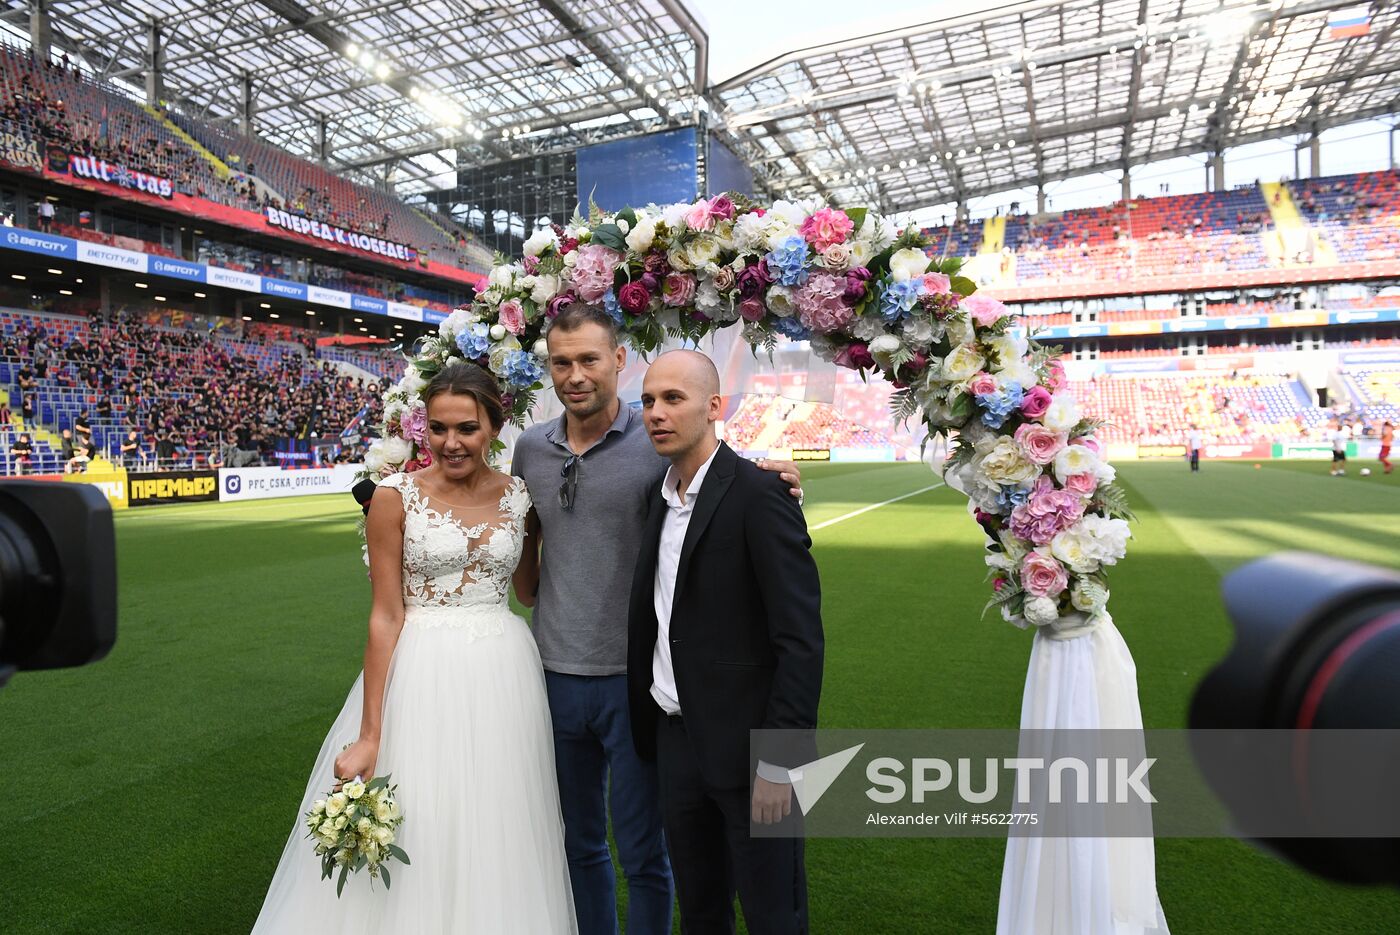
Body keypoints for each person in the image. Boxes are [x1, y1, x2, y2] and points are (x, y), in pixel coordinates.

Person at [252, 362, 576, 933]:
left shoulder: (520, 495)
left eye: (467, 428)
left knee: (496, 819)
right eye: (439, 427)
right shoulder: (393, 497)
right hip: (421, 671)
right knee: (422, 814)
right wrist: (371, 732)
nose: (452, 443)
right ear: (422, 427)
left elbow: (528, 588)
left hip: (505, 672)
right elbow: (385, 614)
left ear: (494, 429)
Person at [510, 305, 802, 935]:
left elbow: (726, 481)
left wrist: (777, 479)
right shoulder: (531, 449)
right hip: (555, 675)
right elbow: (525, 553)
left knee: (651, 855)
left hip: (638, 684)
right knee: (581, 844)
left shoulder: (657, 440)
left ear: (618, 359)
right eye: (561, 362)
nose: (575, 374)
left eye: (590, 359)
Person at [628, 350, 823, 935]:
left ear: (714, 407)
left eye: (673, 399)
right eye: (647, 401)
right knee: (702, 912)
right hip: (677, 743)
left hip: (752, 754)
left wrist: (780, 760)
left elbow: (800, 640)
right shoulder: (654, 500)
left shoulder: (759, 496)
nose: (657, 413)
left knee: (774, 914)